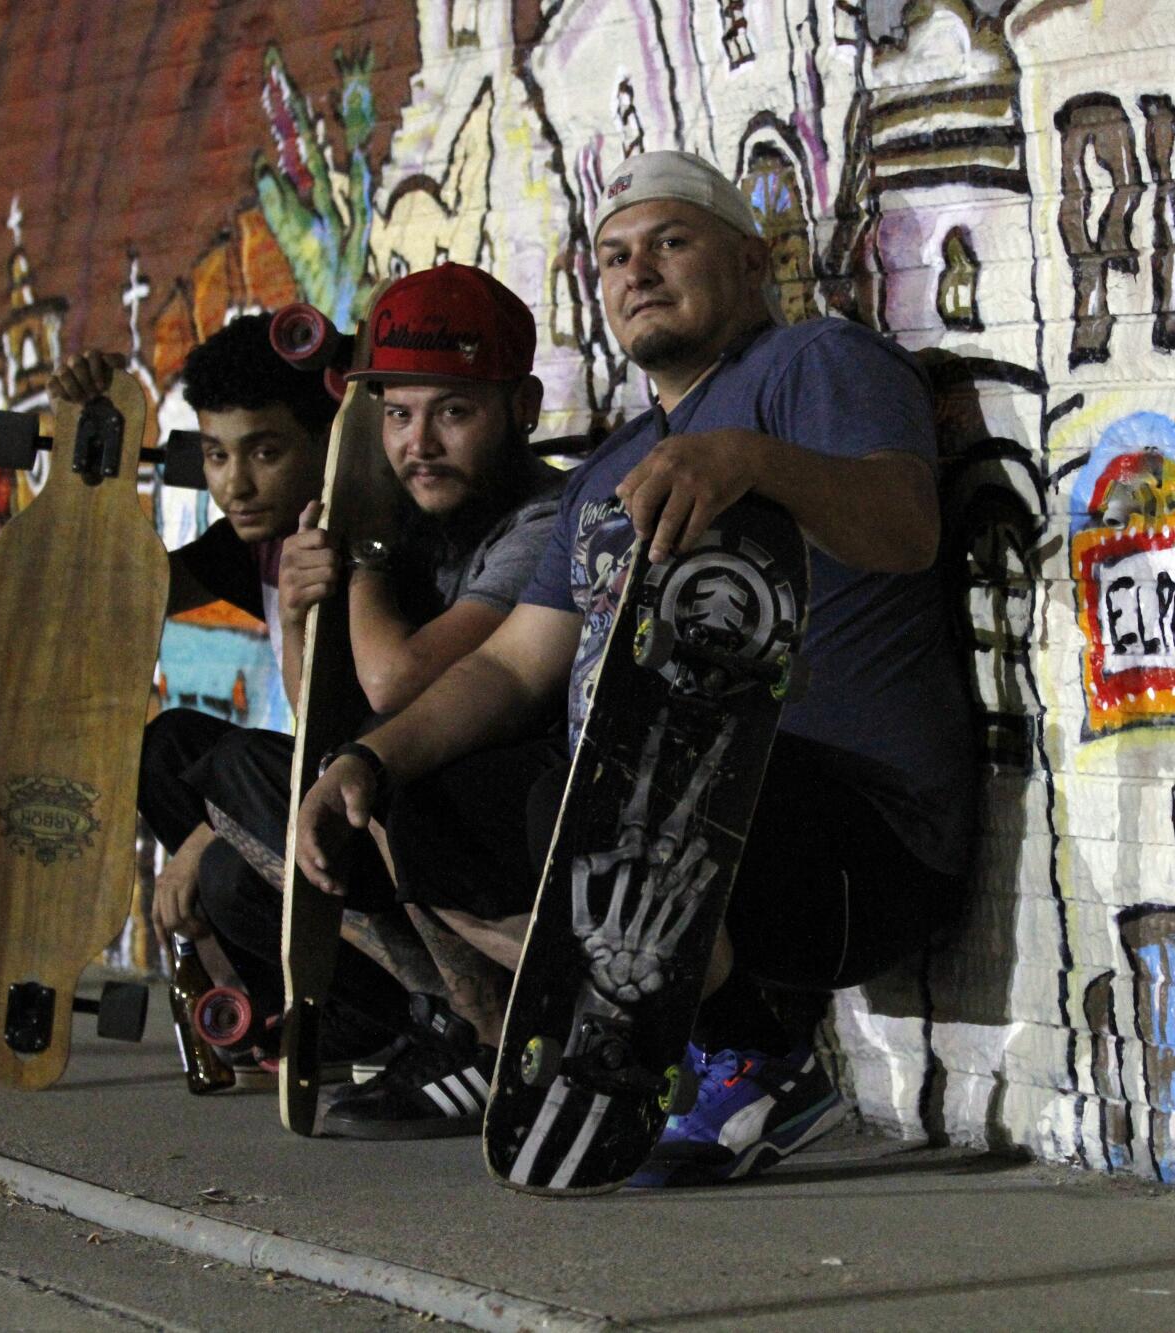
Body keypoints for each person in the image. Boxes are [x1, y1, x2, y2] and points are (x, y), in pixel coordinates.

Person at [297, 149, 975, 1182]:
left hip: (853, 836)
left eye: (669, 243)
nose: (637, 271)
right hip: (663, 821)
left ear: (751, 264)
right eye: (614, 256)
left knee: (603, 797)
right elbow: (512, 670)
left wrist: (753, 462)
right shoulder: (612, 466)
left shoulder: (816, 365)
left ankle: (751, 1053)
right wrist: (366, 762)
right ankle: (672, 1029)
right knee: (424, 805)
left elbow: (905, 526)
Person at [118, 267, 566, 1101]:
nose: (419, 443)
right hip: (410, 804)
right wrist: (296, 614)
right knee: (227, 766)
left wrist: (358, 551)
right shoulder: (409, 515)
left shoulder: (540, 519)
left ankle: (484, 1029)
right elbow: (318, 722)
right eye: (398, 414)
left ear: (522, 409)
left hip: (500, 814)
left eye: (453, 412)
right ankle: (427, 1016)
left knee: (360, 791)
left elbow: (398, 685)